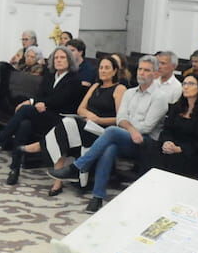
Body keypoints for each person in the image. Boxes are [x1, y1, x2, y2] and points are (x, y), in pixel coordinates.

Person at [49, 55, 168, 213]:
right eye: (140, 69)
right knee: (109, 147)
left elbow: (146, 127)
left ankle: (78, 167)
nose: (142, 73)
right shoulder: (130, 93)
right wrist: (129, 128)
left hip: (146, 143)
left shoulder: (159, 97)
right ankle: (97, 197)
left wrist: (129, 128)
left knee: (111, 132)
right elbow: (120, 118)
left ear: (154, 74)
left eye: (147, 70)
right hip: (126, 136)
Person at [0, 46, 84, 184]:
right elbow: (40, 94)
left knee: (25, 110)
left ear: (69, 61)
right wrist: (37, 102)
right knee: (25, 125)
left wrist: (38, 103)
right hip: (44, 115)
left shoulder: (74, 79)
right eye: (56, 58)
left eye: (62, 58)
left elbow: (61, 99)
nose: (58, 60)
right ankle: (14, 169)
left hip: (61, 119)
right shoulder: (50, 75)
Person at [43, 56, 126, 197]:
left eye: (107, 68)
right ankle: (62, 178)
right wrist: (90, 115)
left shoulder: (119, 89)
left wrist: (99, 119)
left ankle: (42, 147)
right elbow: (80, 109)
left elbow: (120, 119)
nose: (103, 71)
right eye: (101, 67)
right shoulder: (95, 86)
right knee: (66, 124)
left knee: (67, 125)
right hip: (88, 125)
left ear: (115, 71)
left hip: (105, 131)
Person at [148, 74, 198, 177]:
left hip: (192, 153)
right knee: (150, 150)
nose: (186, 87)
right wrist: (167, 142)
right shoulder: (177, 107)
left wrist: (179, 149)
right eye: (184, 83)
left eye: (191, 84)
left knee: (171, 160)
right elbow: (167, 130)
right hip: (172, 148)